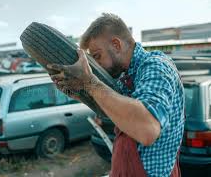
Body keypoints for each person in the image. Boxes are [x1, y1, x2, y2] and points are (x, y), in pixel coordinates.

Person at [47, 13, 185, 177]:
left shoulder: (156, 67)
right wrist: (77, 92)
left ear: (116, 45)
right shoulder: (124, 75)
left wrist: (90, 82)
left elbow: (147, 129)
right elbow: (113, 110)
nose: (97, 65)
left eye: (97, 56)